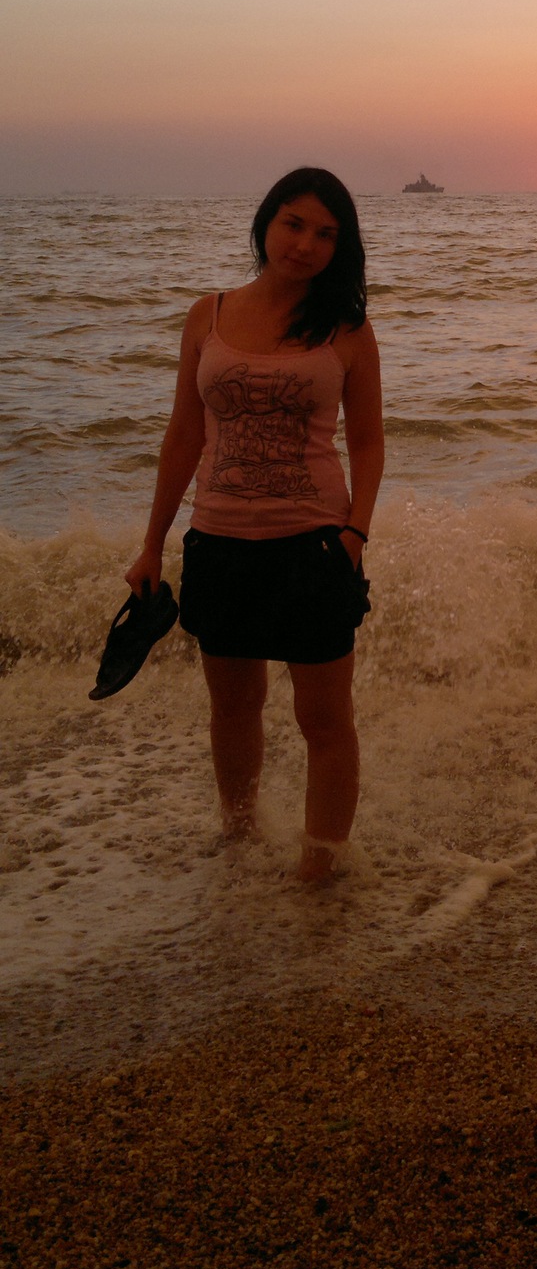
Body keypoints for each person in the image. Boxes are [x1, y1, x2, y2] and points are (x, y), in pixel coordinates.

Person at [125, 168, 384, 883]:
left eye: (325, 234)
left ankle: (320, 868)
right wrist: (151, 545)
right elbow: (183, 435)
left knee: (324, 719)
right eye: (293, 224)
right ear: (266, 222)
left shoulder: (348, 330)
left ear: (340, 247)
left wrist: (355, 535)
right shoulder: (206, 316)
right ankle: (238, 842)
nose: (304, 244)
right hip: (219, 543)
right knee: (234, 707)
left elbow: (368, 443)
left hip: (314, 547)